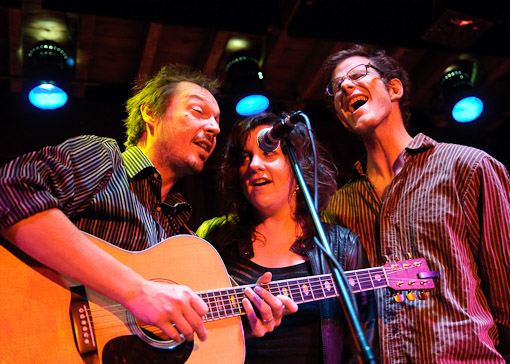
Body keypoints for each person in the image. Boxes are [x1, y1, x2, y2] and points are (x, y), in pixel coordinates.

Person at [0, 64, 286, 361]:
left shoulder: (179, 231)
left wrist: (241, 321)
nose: (214, 128)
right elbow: (10, 190)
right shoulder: (105, 161)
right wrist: (136, 290)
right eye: (198, 112)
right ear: (151, 113)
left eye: (216, 120)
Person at [321, 44, 510, 363]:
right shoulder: (337, 207)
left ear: (394, 88)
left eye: (357, 75)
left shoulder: (468, 167)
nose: (345, 87)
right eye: (336, 88)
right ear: (341, 119)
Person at [196, 112, 376, 364]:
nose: (253, 165)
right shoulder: (213, 238)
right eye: (245, 158)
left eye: (268, 153)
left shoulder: (342, 247)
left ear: (297, 164)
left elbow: (361, 344)